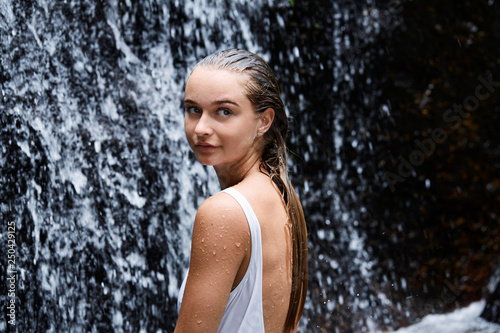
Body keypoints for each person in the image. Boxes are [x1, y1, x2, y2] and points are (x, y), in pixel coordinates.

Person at [174, 49, 308, 333]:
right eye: (193, 109)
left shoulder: (224, 213)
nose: (201, 128)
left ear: (264, 121)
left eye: (224, 111)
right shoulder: (280, 193)